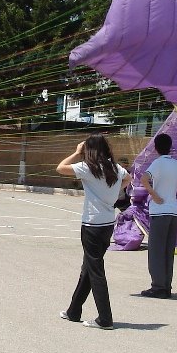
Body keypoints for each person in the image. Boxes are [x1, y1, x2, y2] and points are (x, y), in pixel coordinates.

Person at [57, 135, 130, 329]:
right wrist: (113, 193)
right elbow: (128, 178)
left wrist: (77, 152)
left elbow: (60, 168)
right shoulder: (114, 167)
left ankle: (105, 318)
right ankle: (74, 310)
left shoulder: (88, 167)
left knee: (95, 270)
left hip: (92, 225)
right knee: (89, 267)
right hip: (107, 224)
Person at [138, 133, 177, 299]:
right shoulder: (176, 165)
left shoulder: (157, 163)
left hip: (159, 211)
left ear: (156, 147)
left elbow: (144, 179)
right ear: (170, 147)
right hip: (173, 211)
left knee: (156, 250)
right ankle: (166, 285)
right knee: (168, 251)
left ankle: (157, 286)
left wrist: (153, 194)